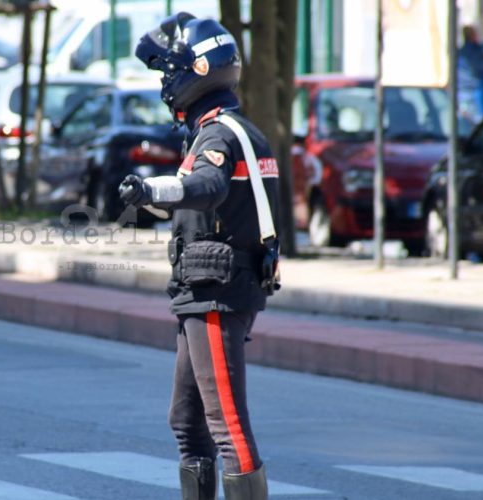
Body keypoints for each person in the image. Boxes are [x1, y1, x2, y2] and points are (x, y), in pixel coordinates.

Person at [119, 12, 280, 500]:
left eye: (170, 71)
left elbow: (207, 187)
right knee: (188, 422)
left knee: (226, 423)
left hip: (216, 292)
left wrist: (153, 187)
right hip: (204, 291)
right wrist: (152, 199)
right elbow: (207, 200)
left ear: (199, 71)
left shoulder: (219, 134)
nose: (166, 82)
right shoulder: (227, 131)